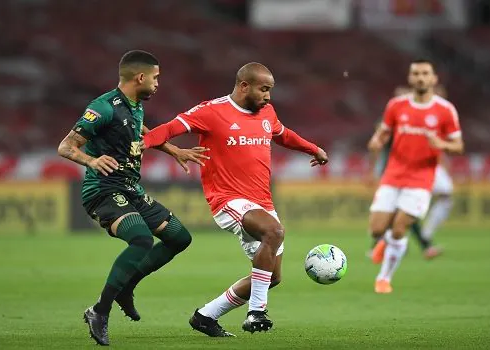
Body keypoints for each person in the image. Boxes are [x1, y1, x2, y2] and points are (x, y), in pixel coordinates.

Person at [143, 62, 328, 335]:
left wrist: (313, 149)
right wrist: (141, 142)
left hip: (262, 201)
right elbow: (169, 129)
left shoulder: (267, 112)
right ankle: (257, 312)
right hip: (227, 199)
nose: (268, 96)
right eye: (264, 89)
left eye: (270, 91)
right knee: (274, 231)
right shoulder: (211, 111)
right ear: (244, 86)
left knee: (271, 277)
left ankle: (206, 316)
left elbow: (283, 135)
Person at [57, 50, 208, 346]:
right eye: (155, 78)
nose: (157, 83)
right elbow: (66, 146)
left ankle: (126, 286)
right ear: (140, 77)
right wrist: (90, 161)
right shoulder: (103, 107)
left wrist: (173, 149)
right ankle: (99, 311)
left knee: (179, 238)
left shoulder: (134, 105)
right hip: (102, 191)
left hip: (130, 189)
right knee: (141, 239)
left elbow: (140, 130)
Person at [367, 59, 464, 294]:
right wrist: (376, 141)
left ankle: (384, 278)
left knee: (400, 229)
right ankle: (386, 240)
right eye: (416, 73)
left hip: (421, 178)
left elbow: (458, 145)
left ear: (433, 79)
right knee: (376, 229)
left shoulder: (445, 110)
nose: (420, 78)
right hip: (393, 174)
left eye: (425, 74)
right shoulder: (396, 105)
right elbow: (384, 132)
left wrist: (440, 143)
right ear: (410, 78)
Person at [367, 84, 453, 259]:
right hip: (391, 172)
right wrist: (372, 171)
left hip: (409, 173)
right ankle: (417, 245)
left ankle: (384, 246)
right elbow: (376, 147)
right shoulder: (388, 121)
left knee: (402, 211)